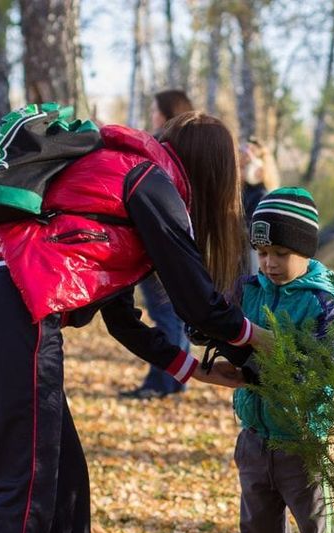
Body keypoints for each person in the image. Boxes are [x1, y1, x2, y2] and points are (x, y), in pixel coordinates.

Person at [0, 111, 270, 533]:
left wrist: (192, 370)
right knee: (28, 488)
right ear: (214, 170)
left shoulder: (121, 176)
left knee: (65, 485)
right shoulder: (151, 181)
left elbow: (122, 318)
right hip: (16, 310)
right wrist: (255, 341)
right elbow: (196, 301)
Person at [231, 187, 334, 533]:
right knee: (259, 527)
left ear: (304, 249)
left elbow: (316, 364)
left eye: (281, 252)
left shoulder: (320, 302)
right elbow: (226, 332)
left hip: (301, 437)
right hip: (255, 433)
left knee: (316, 529)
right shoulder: (249, 289)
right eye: (262, 252)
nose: (269, 263)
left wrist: (258, 352)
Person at [121, 89, 197, 399]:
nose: (153, 115)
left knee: (163, 313)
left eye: (155, 109)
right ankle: (176, 378)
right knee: (173, 313)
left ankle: (161, 381)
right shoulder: (190, 147)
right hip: (181, 240)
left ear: (166, 112)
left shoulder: (157, 147)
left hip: (156, 239)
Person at [239, 139, 280, 276]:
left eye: (244, 167)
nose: (239, 171)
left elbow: (252, 229)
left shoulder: (262, 194)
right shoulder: (245, 191)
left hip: (252, 254)